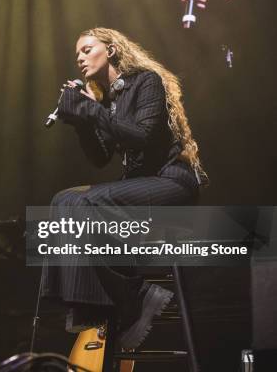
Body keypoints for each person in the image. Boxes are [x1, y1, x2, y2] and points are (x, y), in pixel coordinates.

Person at [41, 27, 208, 349]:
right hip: (139, 184)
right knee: (64, 200)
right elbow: (100, 158)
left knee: (88, 202)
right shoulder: (107, 99)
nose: (79, 58)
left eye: (87, 50)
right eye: (77, 54)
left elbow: (141, 136)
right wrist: (81, 122)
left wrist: (91, 110)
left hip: (171, 181)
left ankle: (134, 295)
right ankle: (93, 303)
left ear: (113, 50)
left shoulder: (146, 81)